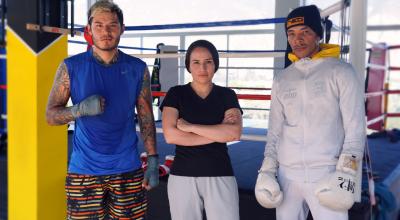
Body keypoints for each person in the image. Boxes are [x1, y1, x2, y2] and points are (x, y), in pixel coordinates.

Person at [46, 1, 159, 219]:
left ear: (122, 29)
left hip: (128, 169)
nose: (105, 31)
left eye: (112, 25)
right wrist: (79, 109)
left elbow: (146, 117)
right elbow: (51, 116)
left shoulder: (137, 68)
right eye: (98, 25)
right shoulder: (71, 66)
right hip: (84, 171)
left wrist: (153, 160)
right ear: (89, 29)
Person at [254, 5, 366, 220]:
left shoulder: (341, 72)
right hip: (288, 175)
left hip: (327, 173)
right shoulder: (282, 79)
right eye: (291, 34)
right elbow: (274, 131)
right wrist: (267, 171)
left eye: (305, 31)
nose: (298, 39)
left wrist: (346, 172)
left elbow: (355, 129)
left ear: (318, 34)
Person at [160, 39, 242, 220]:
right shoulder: (176, 93)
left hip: (220, 173)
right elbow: (171, 135)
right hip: (182, 175)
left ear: (215, 64)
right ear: (188, 65)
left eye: (208, 62)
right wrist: (218, 133)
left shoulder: (227, 95)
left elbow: (234, 133)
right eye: (196, 62)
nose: (202, 68)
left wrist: (191, 127)